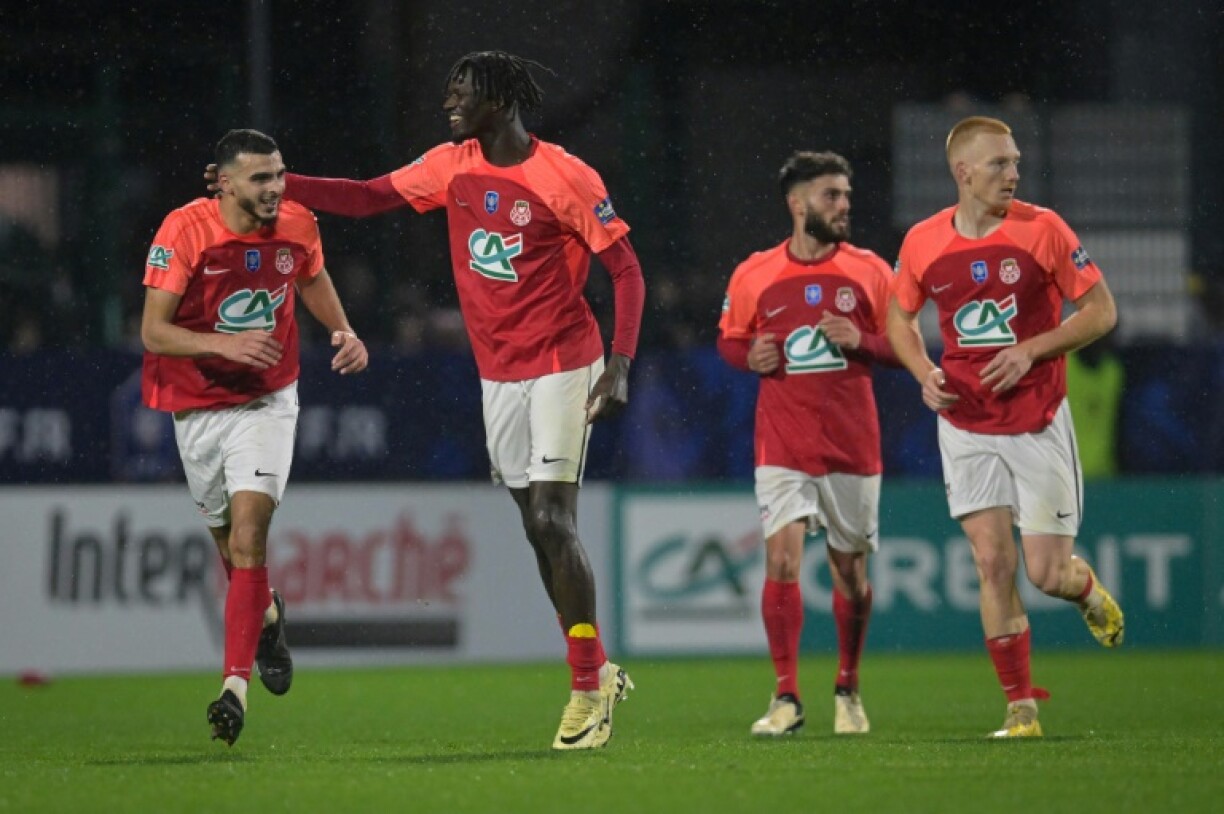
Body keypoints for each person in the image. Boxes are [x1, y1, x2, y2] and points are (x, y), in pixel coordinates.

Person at [207, 52, 644, 750]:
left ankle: (587, 689)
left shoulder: (565, 175)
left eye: (461, 93)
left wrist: (618, 365)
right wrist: (284, 186)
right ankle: (597, 666)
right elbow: (367, 196)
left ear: (497, 101)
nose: (449, 102)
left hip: (565, 361)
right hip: (497, 372)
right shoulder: (451, 163)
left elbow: (625, 269)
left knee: (556, 520)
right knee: (536, 525)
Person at [887, 116, 1125, 738]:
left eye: (1016, 161)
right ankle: (1021, 707)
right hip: (965, 423)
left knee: (1046, 575)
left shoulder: (1043, 230)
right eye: (998, 164)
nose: (1013, 173)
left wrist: (1033, 350)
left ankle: (1086, 589)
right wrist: (920, 370)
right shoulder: (922, 242)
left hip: (1036, 420)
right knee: (992, 564)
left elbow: (1101, 311)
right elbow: (899, 318)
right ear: (962, 172)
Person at [144, 128, 368, 746]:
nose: (275, 188)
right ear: (223, 182)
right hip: (195, 406)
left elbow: (311, 277)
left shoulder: (297, 223)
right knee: (229, 549)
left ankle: (232, 690)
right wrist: (225, 343)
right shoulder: (184, 231)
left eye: (279, 175)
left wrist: (344, 331)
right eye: (260, 178)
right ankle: (267, 616)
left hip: (268, 399)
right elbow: (154, 333)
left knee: (250, 536)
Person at [718, 151, 898, 736]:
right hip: (783, 441)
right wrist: (750, 357)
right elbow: (729, 340)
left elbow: (908, 346)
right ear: (797, 204)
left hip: (851, 443)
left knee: (850, 575)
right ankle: (787, 697)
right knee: (781, 558)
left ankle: (848, 686)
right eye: (831, 196)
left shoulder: (871, 270)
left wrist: (865, 341)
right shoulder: (755, 272)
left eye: (846, 195)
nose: (844, 205)